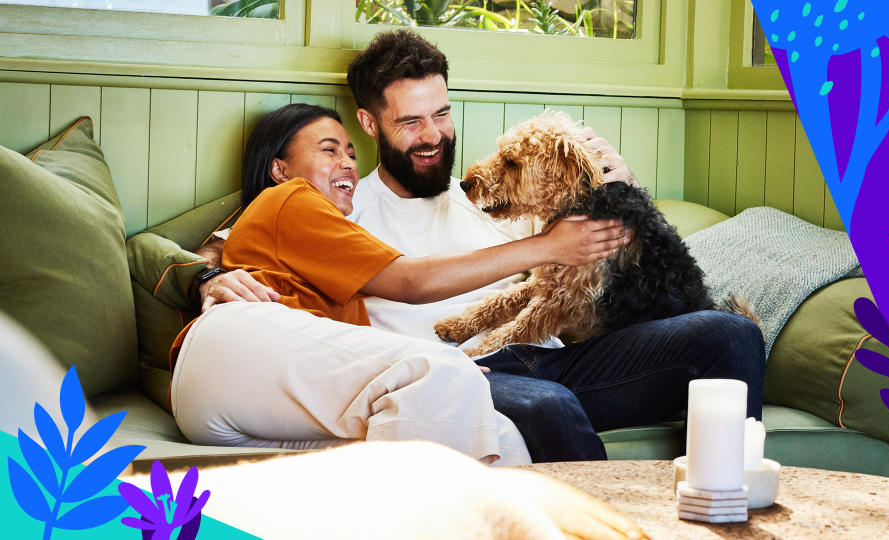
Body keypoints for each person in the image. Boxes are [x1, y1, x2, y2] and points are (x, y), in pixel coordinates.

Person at [199, 30, 766, 462]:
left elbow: (616, 265)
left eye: (442, 114)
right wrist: (206, 278)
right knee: (549, 407)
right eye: (411, 122)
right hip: (458, 376)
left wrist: (618, 187)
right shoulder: (339, 201)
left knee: (732, 335)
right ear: (370, 125)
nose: (432, 135)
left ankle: (730, 502)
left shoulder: (498, 195)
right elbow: (219, 248)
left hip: (554, 358)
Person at [171, 104, 629, 466]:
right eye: (329, 150)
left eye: (350, 153)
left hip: (243, 407)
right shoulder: (291, 198)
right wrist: (550, 246)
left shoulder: (316, 236)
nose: (347, 164)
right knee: (443, 372)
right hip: (238, 352)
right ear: (279, 169)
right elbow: (409, 280)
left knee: (501, 438)